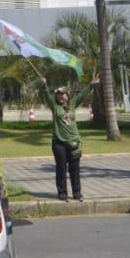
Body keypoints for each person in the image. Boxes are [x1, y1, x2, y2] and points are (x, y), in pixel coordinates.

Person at [38, 74, 94, 202]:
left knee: (75, 169)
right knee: (61, 168)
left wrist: (91, 84)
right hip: (59, 143)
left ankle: (77, 193)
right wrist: (44, 84)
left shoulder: (73, 104)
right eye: (58, 94)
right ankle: (62, 192)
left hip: (74, 142)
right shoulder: (54, 106)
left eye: (63, 93)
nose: (60, 95)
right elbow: (46, 95)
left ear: (67, 95)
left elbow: (83, 94)